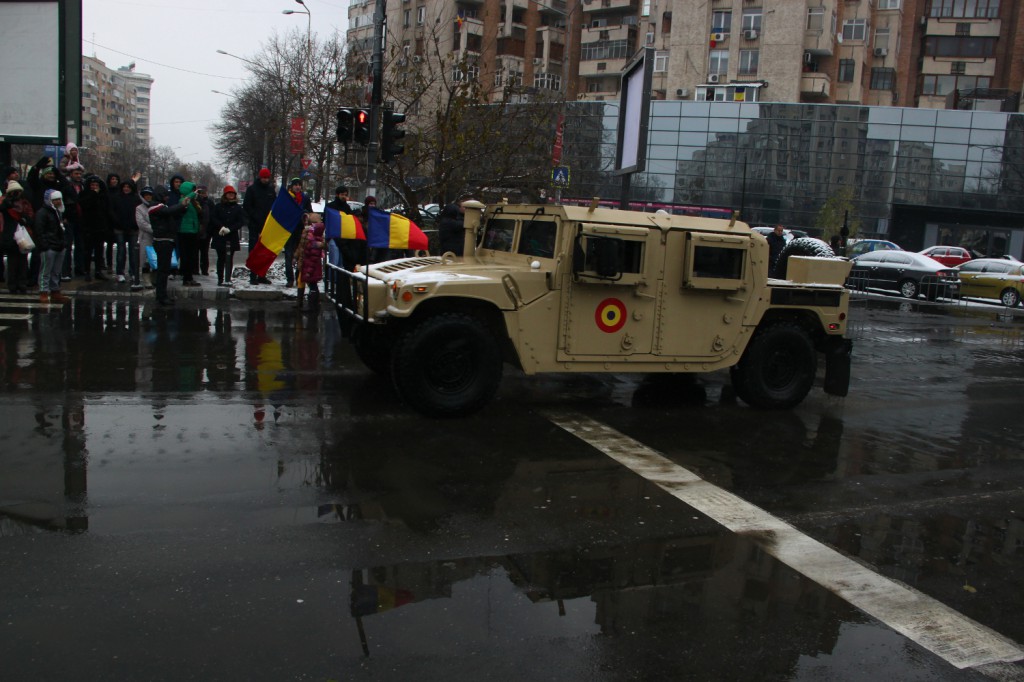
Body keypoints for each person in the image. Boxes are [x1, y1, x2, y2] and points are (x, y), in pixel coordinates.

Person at [147, 189, 189, 306]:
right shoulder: (155, 207)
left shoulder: (160, 207)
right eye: (165, 196)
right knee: (163, 270)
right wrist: (182, 205)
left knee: (164, 270)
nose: (167, 198)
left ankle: (162, 295)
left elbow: (173, 214)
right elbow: (169, 211)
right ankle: (161, 296)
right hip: (163, 241)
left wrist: (183, 208)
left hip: (166, 241)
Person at [34, 189, 70, 304]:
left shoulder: (58, 212)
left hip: (59, 245)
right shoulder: (43, 212)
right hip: (49, 246)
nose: (58, 202)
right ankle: (43, 292)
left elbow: (61, 229)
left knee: (56, 271)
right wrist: (45, 245)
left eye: (59, 199)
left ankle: (55, 291)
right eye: (55, 200)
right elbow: (39, 230)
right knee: (46, 271)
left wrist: (63, 243)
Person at [1, 181, 35, 293]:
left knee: (23, 262)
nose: (17, 194)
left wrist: (25, 219)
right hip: (10, 235)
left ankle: (22, 283)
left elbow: (31, 215)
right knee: (12, 262)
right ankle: (12, 285)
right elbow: (2, 208)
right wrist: (9, 199)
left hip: (23, 235)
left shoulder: (25, 203)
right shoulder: (6, 203)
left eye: (18, 192)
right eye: (14, 192)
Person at [243, 168, 276, 284]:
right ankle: (253, 276)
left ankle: (262, 274)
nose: (265, 180)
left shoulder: (271, 190)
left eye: (267, 178)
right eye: (264, 178)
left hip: (267, 225)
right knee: (254, 250)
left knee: (265, 251)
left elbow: (274, 206)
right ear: (260, 177)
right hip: (254, 224)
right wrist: (254, 217)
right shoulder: (252, 190)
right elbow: (247, 205)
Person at [210, 185, 246, 286]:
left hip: (232, 236)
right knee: (221, 258)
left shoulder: (238, 208)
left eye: (232, 194)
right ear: (225, 195)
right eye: (229, 194)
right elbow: (213, 218)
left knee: (230, 259)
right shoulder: (218, 206)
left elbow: (241, 221)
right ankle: (220, 278)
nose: (231, 195)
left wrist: (230, 229)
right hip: (220, 235)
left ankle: (228, 278)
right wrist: (221, 227)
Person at [77, 175, 111, 281]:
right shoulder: (84, 194)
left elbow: (106, 209)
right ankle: (87, 271)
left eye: (96, 185)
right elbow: (85, 205)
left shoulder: (103, 196)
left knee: (99, 250)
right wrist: (93, 194)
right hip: (88, 227)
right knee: (87, 250)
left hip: (100, 227)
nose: (94, 187)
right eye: (92, 185)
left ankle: (98, 271)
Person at [113, 178, 142, 288]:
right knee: (121, 251)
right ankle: (120, 272)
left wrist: (134, 224)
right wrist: (118, 223)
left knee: (133, 252)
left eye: (128, 187)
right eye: (124, 187)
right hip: (119, 228)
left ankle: (133, 273)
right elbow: (113, 212)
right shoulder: (117, 198)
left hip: (133, 228)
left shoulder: (136, 199)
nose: (126, 189)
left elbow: (138, 213)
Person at [284, 177, 312, 287]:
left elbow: (309, 211)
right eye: (295, 185)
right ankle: (290, 279)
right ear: (291, 186)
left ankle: (298, 277)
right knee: (288, 255)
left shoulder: (304, 198)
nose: (298, 187)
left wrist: (304, 213)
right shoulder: (286, 197)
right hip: (288, 230)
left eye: (299, 185)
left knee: (300, 255)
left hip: (300, 230)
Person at [294, 219, 325, 310]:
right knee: (302, 281)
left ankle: (313, 305)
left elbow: (312, 259)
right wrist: (296, 257)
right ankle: (306, 303)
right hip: (305, 264)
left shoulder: (314, 242)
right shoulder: (309, 236)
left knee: (312, 285)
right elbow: (301, 247)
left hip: (309, 267)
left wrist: (308, 271)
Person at [176, 181, 202, 286]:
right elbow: (185, 201)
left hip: (193, 230)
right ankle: (186, 278)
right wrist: (192, 194)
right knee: (186, 256)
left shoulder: (193, 202)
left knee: (191, 256)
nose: (194, 192)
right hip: (185, 231)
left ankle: (189, 277)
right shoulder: (183, 200)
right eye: (192, 190)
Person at [135, 186, 157, 289]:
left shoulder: (156, 206)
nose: (148, 197)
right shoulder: (139, 208)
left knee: (154, 259)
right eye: (146, 195)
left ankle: (154, 278)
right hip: (145, 237)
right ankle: (146, 279)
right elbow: (141, 223)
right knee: (145, 259)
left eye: (150, 195)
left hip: (156, 237)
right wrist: (154, 229)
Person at [195, 185, 215, 276]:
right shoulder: (195, 201)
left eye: (204, 192)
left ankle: (204, 269)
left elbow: (212, 216)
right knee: (195, 251)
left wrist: (210, 229)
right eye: (201, 192)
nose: (203, 194)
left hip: (206, 230)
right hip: (196, 229)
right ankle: (195, 269)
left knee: (204, 251)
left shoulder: (209, 202)